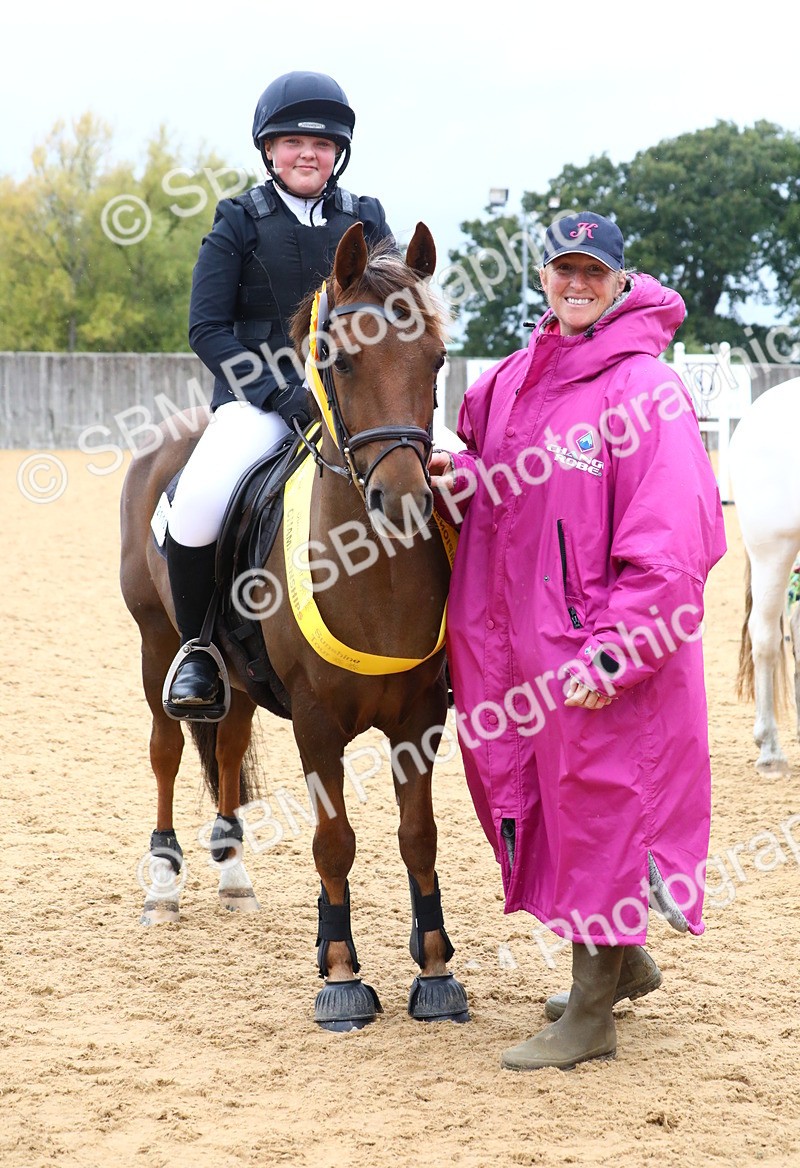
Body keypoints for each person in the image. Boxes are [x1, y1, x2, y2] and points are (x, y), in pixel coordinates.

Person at [430, 211, 726, 1071]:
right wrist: (465, 481)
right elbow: (512, 488)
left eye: (592, 271)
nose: (576, 283)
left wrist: (615, 652)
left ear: (620, 281)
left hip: (599, 659)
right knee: (550, 811)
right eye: (564, 268)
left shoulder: (647, 393)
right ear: (544, 276)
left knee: (602, 811)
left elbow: (674, 545)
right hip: (518, 648)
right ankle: (623, 965)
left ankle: (590, 1013)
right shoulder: (515, 379)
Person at [164, 70, 394, 719]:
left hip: (357, 402)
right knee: (200, 498)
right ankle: (199, 651)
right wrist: (276, 393)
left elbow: (396, 312)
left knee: (450, 473)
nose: (306, 154)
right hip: (259, 403)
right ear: (268, 150)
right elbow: (206, 326)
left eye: (321, 145)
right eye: (292, 142)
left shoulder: (366, 218)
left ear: (338, 154)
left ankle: (456, 639)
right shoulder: (237, 219)